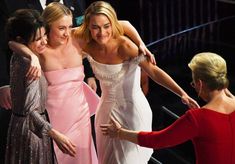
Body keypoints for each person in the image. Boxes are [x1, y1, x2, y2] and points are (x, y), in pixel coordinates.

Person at [74, 1, 199, 164]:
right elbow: (54, 34)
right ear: (88, 27)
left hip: (132, 112)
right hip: (104, 112)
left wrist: (183, 94)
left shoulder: (125, 45)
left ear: (113, 23)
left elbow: (154, 72)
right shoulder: (86, 43)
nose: (102, 32)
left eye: (106, 26)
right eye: (95, 27)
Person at [0, 0, 95, 161]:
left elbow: (115, 26)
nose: (67, 32)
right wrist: (32, 57)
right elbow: (11, 44)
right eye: (61, 28)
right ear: (47, 27)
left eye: (69, 27)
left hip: (80, 115)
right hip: (51, 117)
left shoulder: (75, 40)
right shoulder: (38, 51)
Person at [101, 52, 235, 164]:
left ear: (200, 83)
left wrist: (119, 132)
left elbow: (158, 140)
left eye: (193, 83)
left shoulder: (197, 118)